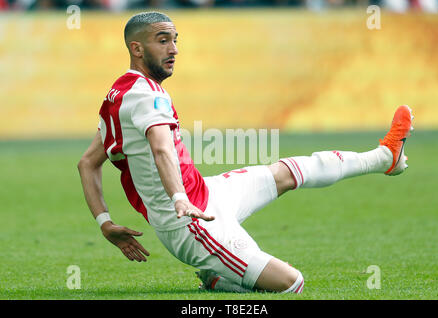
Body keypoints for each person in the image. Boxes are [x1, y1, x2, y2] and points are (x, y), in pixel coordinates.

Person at [77, 11, 414, 294]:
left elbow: (87, 163)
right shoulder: (146, 95)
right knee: (290, 283)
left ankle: (384, 157)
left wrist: (105, 223)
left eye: (175, 40)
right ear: (137, 48)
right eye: (163, 40)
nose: (174, 49)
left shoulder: (120, 93)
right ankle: (219, 280)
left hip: (207, 193)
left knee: (286, 173)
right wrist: (179, 197)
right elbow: (161, 147)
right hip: (192, 225)